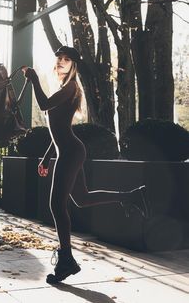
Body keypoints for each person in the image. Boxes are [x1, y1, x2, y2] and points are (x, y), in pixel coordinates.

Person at [22, 45, 150, 284]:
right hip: (67, 151)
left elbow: (43, 105)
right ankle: (132, 196)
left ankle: (67, 260)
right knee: (81, 198)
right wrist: (47, 156)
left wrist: (34, 80)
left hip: (71, 151)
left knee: (56, 204)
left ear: (73, 65)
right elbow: (58, 128)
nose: (61, 61)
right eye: (59, 58)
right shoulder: (63, 88)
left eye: (66, 59)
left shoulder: (71, 87)